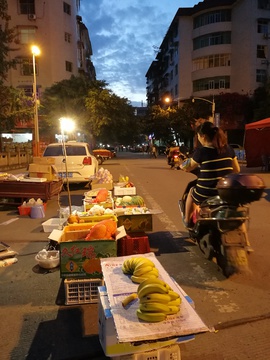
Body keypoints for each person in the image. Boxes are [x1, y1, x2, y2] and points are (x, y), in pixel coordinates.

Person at [180, 121, 240, 227]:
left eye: (198, 135)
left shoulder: (202, 151)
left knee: (191, 191)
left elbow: (189, 166)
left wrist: (182, 165)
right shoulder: (228, 149)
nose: (198, 138)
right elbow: (237, 169)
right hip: (226, 192)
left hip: (206, 193)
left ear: (203, 136)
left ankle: (187, 220)